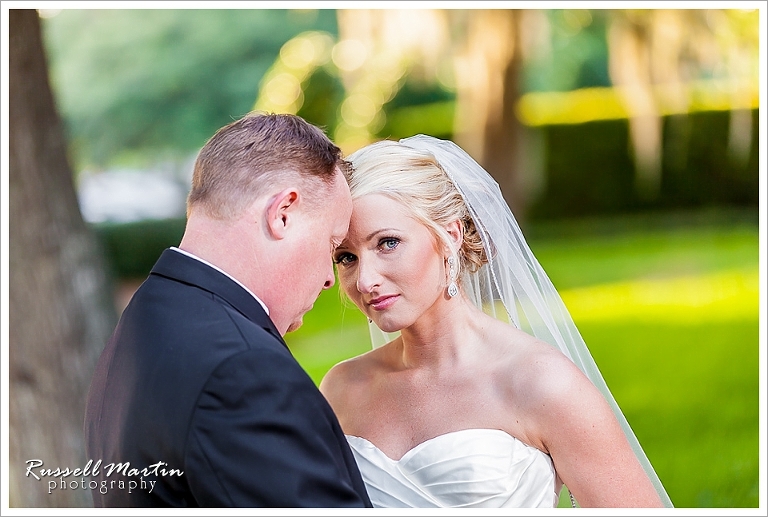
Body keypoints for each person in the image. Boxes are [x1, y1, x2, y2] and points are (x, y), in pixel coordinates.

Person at [319, 135, 674, 508]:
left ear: (450, 236)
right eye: (346, 257)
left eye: (387, 243)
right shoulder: (342, 389)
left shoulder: (542, 382)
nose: (365, 281)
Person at [83, 112, 372, 508]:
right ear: (282, 213)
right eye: (332, 244)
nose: (329, 278)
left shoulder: (142, 321)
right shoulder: (244, 372)